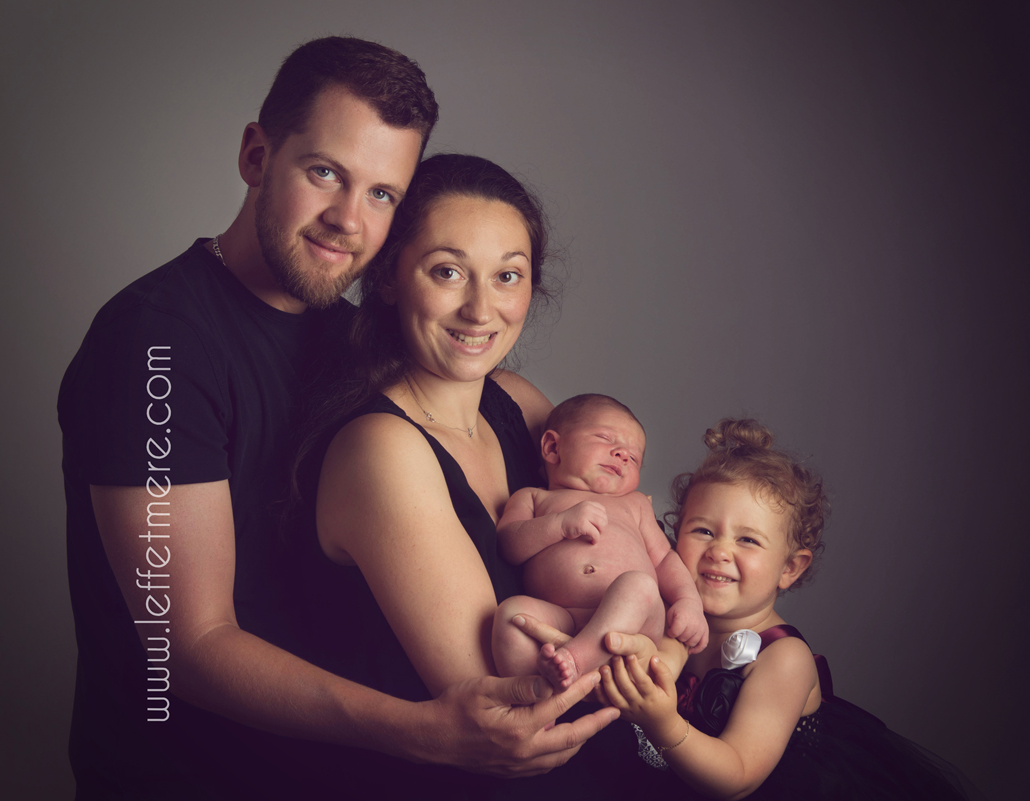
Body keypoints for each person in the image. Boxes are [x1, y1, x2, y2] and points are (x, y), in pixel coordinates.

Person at [58, 37, 614, 800]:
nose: (348, 219)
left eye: (382, 194)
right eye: (325, 173)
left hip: (325, 775)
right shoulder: (153, 345)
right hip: (184, 778)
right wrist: (419, 729)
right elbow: (186, 646)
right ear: (257, 156)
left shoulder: (354, 337)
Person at [300, 154, 665, 796]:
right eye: (447, 272)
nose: (480, 310)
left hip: (613, 743)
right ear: (388, 278)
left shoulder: (517, 402)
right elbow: (511, 714)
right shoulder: (381, 449)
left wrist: (678, 642)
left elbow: (637, 552)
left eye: (507, 276)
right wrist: (646, 656)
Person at [598, 419, 981, 799]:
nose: (720, 551)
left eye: (748, 540)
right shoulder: (666, 614)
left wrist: (662, 722)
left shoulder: (784, 659)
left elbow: (737, 778)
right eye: (704, 531)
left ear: (790, 568)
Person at [490, 394, 708, 690]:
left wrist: (689, 602)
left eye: (634, 458)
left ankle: (576, 660)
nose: (623, 455)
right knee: (511, 615)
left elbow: (665, 558)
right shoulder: (533, 497)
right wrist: (559, 524)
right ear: (553, 448)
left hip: (633, 622)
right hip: (563, 616)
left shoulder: (634, 504)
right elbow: (508, 545)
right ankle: (539, 702)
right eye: (606, 439)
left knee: (640, 586)